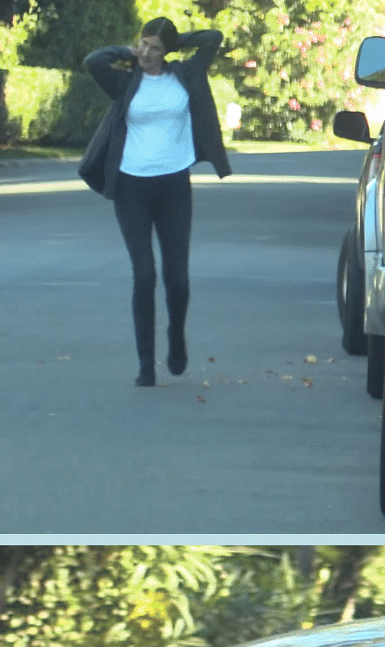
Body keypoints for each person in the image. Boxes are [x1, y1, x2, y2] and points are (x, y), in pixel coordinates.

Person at [80, 18, 231, 388]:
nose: (146, 53)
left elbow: (213, 37)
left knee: (176, 277)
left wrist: (176, 42)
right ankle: (146, 365)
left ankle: (176, 338)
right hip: (131, 186)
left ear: (168, 51)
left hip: (174, 185)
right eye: (143, 45)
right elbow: (93, 61)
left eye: (154, 48)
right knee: (144, 274)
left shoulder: (185, 73)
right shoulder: (125, 79)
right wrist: (126, 52)